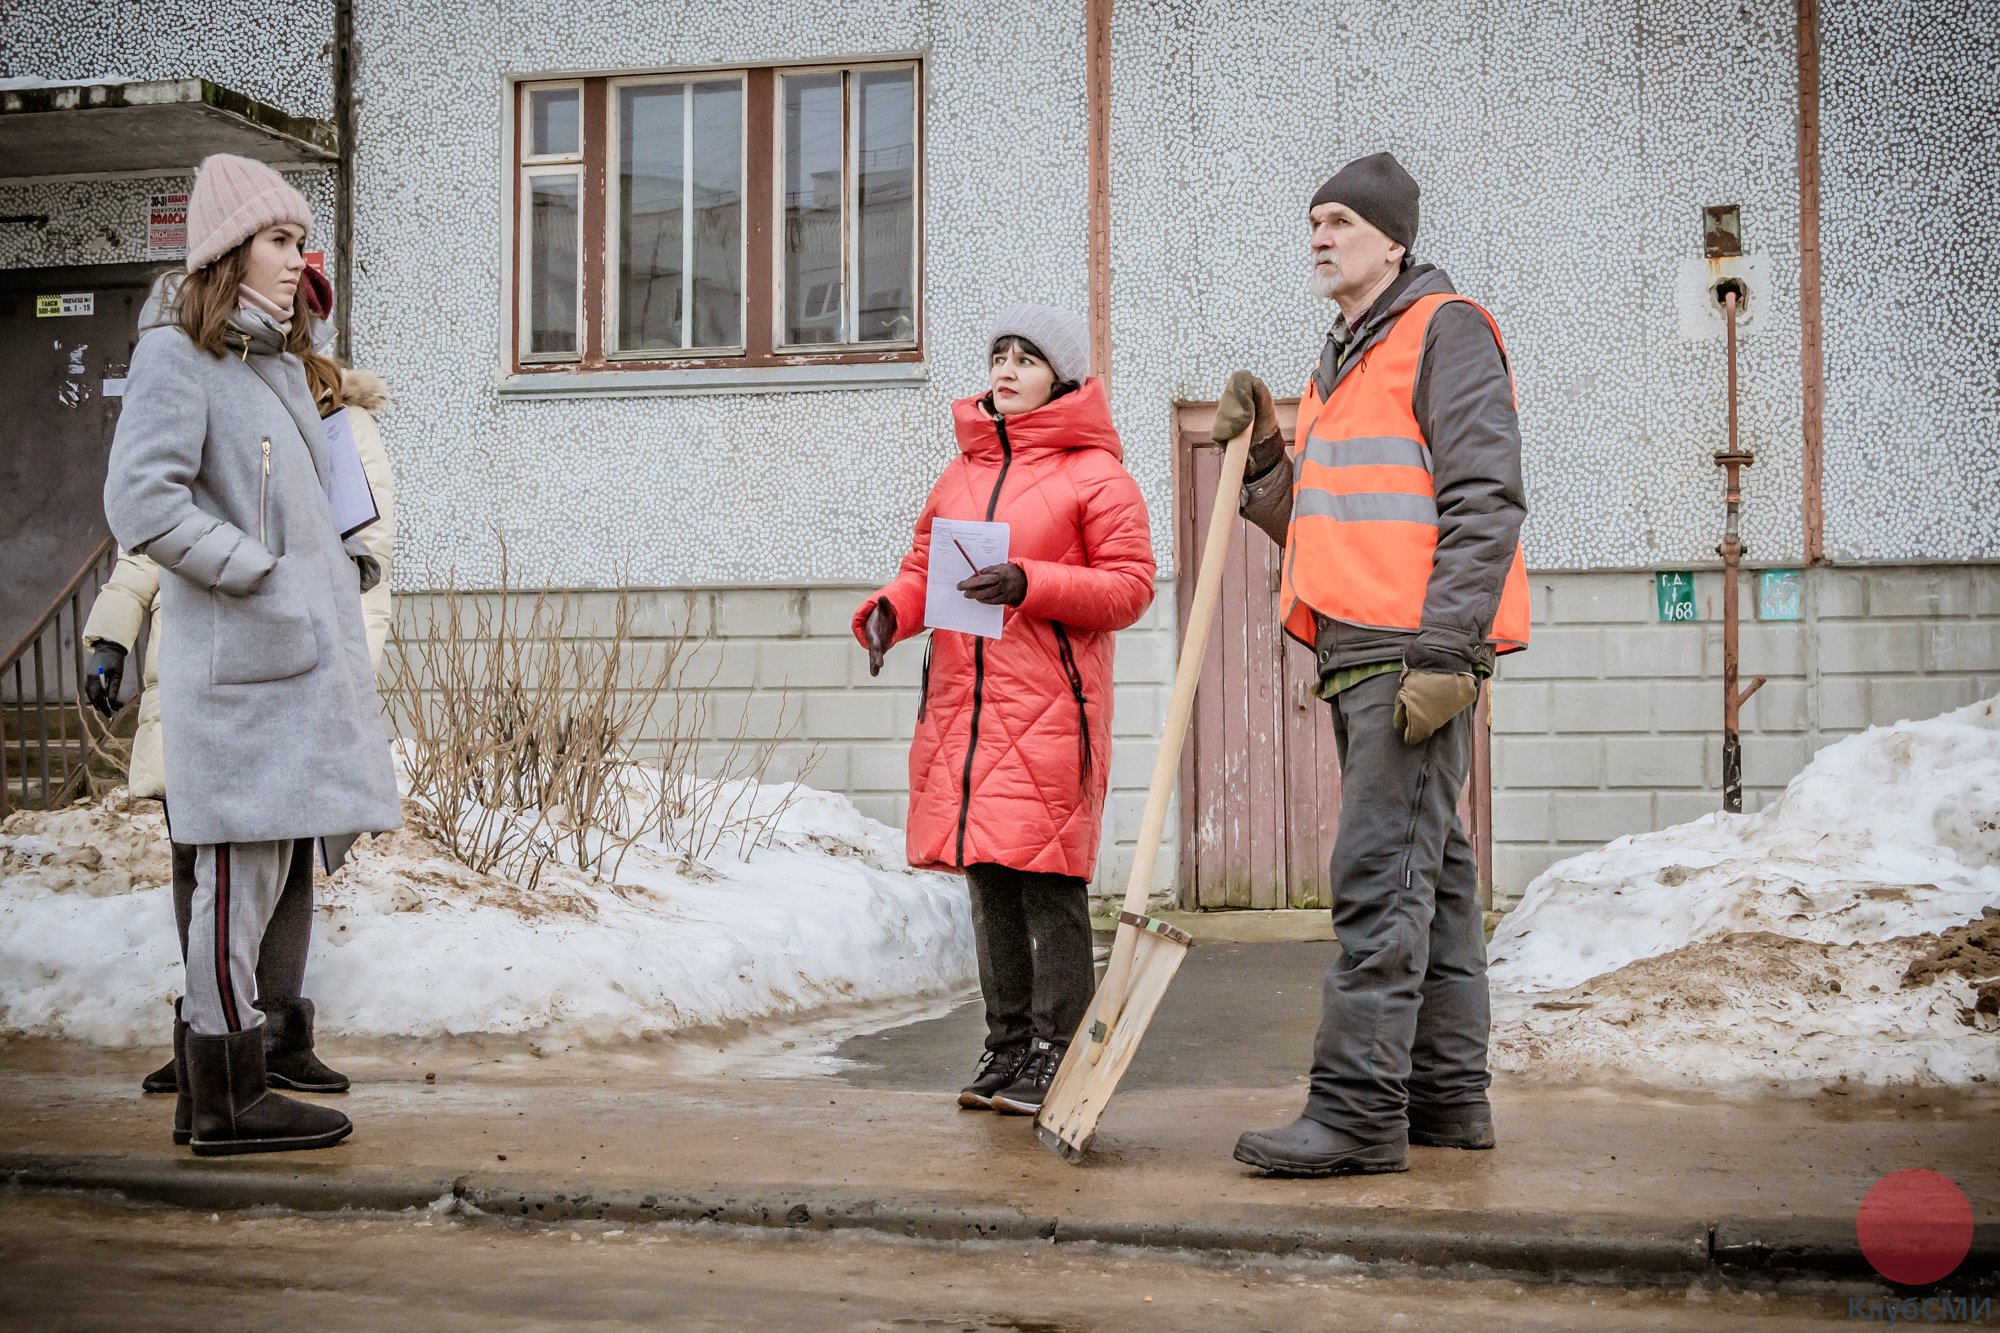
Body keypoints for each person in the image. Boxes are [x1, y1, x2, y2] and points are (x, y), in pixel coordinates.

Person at [1212, 153, 1531, 1176]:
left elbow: (1484, 498)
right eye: (1311, 221)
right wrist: (1266, 459)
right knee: (1427, 884)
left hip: (1409, 654)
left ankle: (1354, 1113)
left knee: (1376, 883)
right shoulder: (1337, 359)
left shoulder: (1445, 330)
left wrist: (1446, 648)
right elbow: (1322, 522)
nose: (1318, 236)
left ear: (1393, 240)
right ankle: (1446, 1101)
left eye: (1340, 221)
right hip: (1358, 651)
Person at [101, 153, 402, 1156]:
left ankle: (215, 1091)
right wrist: (253, 570)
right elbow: (142, 500)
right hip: (237, 674)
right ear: (228, 253)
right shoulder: (174, 358)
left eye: (298, 240)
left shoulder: (270, 365)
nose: (296, 259)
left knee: (260, 884)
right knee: (230, 887)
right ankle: (227, 1094)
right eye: (278, 240)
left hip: (284, 671)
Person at [854, 304, 1154, 1117]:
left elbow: (1130, 586)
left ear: (1061, 376)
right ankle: (1009, 1042)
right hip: (966, 709)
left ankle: (1060, 1049)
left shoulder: (1098, 475)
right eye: (998, 355)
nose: (1007, 369)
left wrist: (1032, 581)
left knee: (1048, 885)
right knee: (987, 882)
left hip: (1052, 710)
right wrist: (889, 610)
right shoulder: (960, 473)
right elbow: (923, 570)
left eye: (1026, 357)